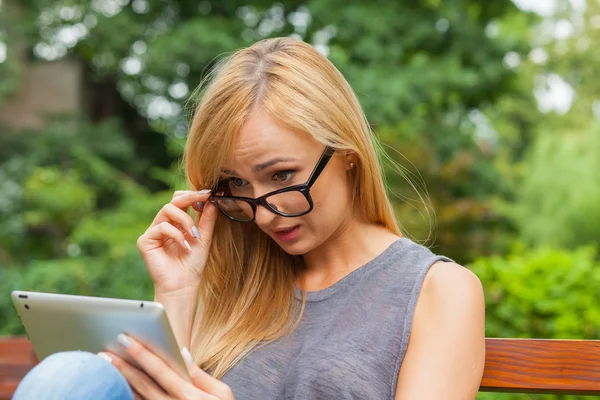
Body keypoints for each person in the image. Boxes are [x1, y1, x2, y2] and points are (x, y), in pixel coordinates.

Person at [13, 37, 485, 400]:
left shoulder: (436, 290)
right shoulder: (244, 283)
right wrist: (175, 292)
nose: (262, 214)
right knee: (76, 376)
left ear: (346, 154)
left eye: (281, 174)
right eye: (235, 185)